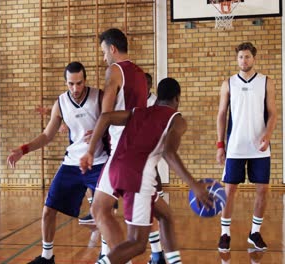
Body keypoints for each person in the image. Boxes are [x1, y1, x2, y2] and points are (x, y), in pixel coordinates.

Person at [80, 77, 212, 264]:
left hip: (114, 168)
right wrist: (194, 185)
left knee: (165, 215)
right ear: (177, 99)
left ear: (158, 97)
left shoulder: (138, 112)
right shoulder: (177, 119)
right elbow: (168, 153)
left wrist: (90, 151)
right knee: (137, 243)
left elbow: (105, 117)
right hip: (137, 176)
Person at [7, 62, 108, 264]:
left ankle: (105, 254)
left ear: (85, 80)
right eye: (71, 84)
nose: (76, 89)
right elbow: (47, 135)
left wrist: (100, 130)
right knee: (48, 209)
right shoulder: (61, 102)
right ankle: (47, 256)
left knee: (103, 213)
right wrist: (23, 149)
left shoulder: (100, 97)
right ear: (66, 83)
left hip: (99, 162)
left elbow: (114, 122)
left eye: (79, 83)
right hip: (72, 163)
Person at [216, 42, 277, 253]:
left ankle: (255, 232)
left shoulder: (266, 82)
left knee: (263, 190)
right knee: (230, 190)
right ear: (237, 59)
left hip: (259, 147)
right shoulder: (228, 83)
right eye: (241, 57)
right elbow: (222, 115)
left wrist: (267, 135)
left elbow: (273, 113)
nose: (244, 60)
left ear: (254, 58)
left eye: (248, 57)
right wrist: (220, 145)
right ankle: (225, 234)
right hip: (235, 146)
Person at [95, 27, 149, 259]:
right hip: (139, 148)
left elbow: (106, 113)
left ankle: (118, 259)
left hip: (122, 150)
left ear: (112, 48)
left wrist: (92, 140)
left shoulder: (114, 70)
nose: (103, 57)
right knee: (104, 208)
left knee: (100, 209)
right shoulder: (140, 73)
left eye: (104, 52)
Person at [145, 72, 168, 264]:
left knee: (153, 175)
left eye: (148, 84)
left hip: (151, 145)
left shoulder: (155, 102)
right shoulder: (133, 101)